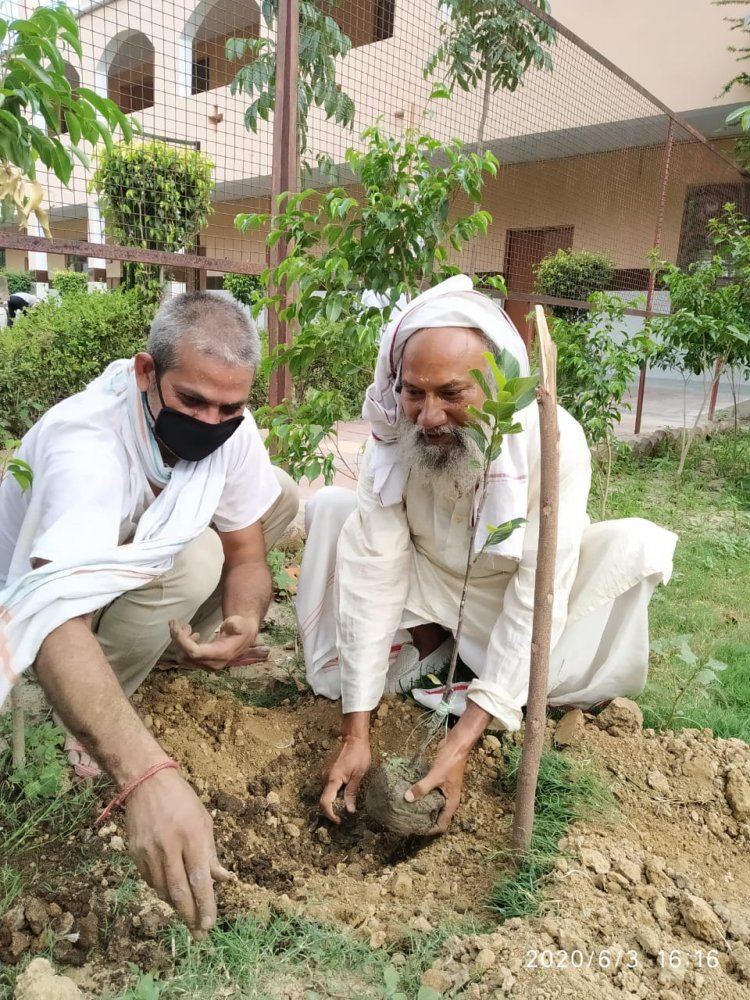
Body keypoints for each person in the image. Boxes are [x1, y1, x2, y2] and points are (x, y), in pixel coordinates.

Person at [296, 275, 677, 833]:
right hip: (426, 581)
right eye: (413, 392)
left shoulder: (553, 446)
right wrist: (357, 731)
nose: (428, 416)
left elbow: (534, 598)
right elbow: (374, 569)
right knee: (334, 509)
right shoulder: (398, 436)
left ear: (498, 384)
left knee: (633, 546)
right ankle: (432, 652)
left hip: (508, 596)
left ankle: (488, 685)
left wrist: (461, 743)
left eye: (452, 394)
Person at [0, 291, 298, 939]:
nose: (211, 420)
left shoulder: (231, 431)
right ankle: (78, 722)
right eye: (192, 401)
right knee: (192, 564)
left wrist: (245, 619)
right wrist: (147, 776)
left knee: (279, 501)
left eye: (230, 406)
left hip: (125, 566)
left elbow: (247, 554)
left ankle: (131, 665)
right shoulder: (90, 448)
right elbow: (51, 614)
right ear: (145, 372)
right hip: (44, 583)